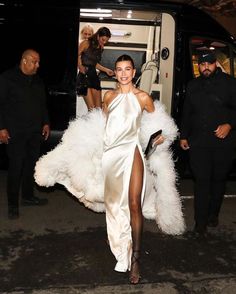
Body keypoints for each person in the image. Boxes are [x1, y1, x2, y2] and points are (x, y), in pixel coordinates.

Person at [35, 55, 185, 284]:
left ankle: (135, 259)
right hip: (112, 157)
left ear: (134, 72)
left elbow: (156, 123)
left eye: (127, 69)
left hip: (133, 153)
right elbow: (103, 126)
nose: (124, 73)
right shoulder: (109, 96)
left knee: (134, 203)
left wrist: (161, 135)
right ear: (114, 73)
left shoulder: (143, 98)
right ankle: (120, 245)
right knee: (114, 206)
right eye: (119, 69)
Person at [180, 51, 236, 236]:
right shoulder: (193, 85)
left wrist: (230, 125)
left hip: (223, 143)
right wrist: (184, 135)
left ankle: (214, 213)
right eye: (202, 65)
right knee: (202, 182)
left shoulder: (229, 83)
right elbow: (187, 112)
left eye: (209, 64)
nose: (205, 68)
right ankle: (200, 224)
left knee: (218, 180)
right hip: (199, 143)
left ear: (216, 65)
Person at [0, 49, 50, 219]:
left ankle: (28, 196)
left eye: (38, 62)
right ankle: (12, 205)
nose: (38, 65)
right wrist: (1, 128)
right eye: (35, 62)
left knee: (30, 166)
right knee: (16, 168)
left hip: (34, 132)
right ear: (24, 61)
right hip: (15, 132)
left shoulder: (38, 80)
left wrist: (46, 122)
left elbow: (43, 104)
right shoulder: (7, 78)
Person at [77, 26, 114, 110]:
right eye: (103, 40)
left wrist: (106, 70)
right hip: (84, 76)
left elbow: (94, 63)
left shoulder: (101, 47)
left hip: (93, 76)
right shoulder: (86, 43)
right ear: (98, 36)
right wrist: (80, 66)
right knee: (92, 109)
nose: (104, 42)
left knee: (98, 109)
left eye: (106, 41)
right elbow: (77, 55)